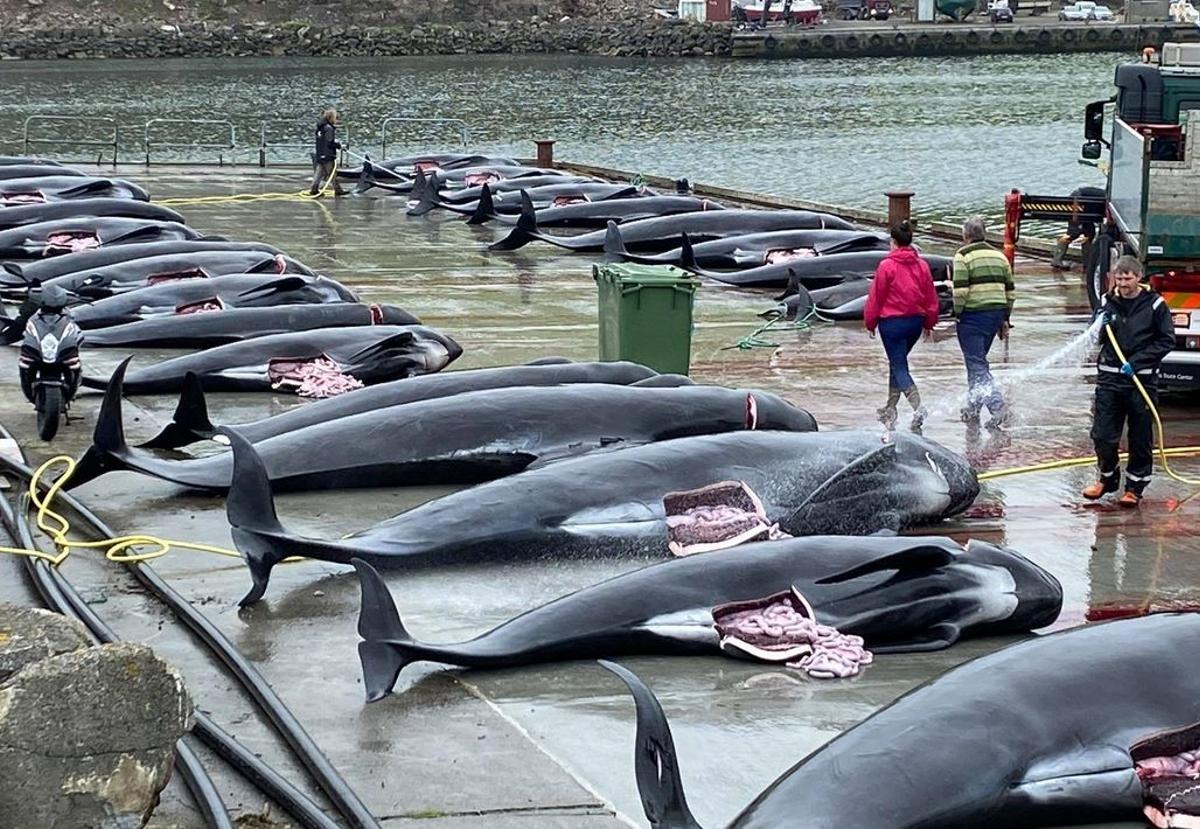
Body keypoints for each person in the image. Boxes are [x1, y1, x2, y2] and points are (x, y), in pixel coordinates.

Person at [1082, 255, 1175, 507]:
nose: (1122, 283)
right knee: (1102, 434)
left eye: (1128, 278)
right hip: (1110, 379)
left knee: (1140, 437)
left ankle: (1134, 487)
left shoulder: (1155, 305)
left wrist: (1139, 362)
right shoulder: (1107, 302)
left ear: (1139, 277)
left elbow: (1166, 340)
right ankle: (1107, 478)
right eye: (1119, 277)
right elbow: (1095, 336)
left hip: (1140, 381)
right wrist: (1100, 323)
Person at [863, 219, 940, 430]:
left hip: (892, 324)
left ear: (893, 242)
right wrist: (930, 322)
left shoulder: (887, 266)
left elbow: (876, 298)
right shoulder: (922, 265)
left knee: (899, 365)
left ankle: (918, 407)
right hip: (915, 322)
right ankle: (890, 408)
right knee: (896, 362)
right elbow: (930, 297)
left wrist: (870, 322)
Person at [953, 216, 1015, 428]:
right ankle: (973, 407)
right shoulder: (1000, 257)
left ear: (965, 235)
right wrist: (1005, 318)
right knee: (977, 361)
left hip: (972, 315)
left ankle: (998, 407)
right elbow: (1010, 291)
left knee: (977, 364)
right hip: (995, 314)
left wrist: (957, 313)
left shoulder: (963, 256)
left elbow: (960, 291)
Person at [1051, 186, 1106, 271]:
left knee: (1090, 233)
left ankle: (1087, 264)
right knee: (1073, 233)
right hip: (1077, 203)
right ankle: (1057, 260)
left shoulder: (1106, 198)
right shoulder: (1108, 201)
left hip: (1085, 208)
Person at [309, 108, 346, 197]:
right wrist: (339, 146)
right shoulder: (329, 129)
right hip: (328, 154)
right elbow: (330, 142)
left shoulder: (320, 128)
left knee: (319, 172)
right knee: (332, 173)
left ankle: (314, 188)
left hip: (320, 153)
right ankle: (338, 190)